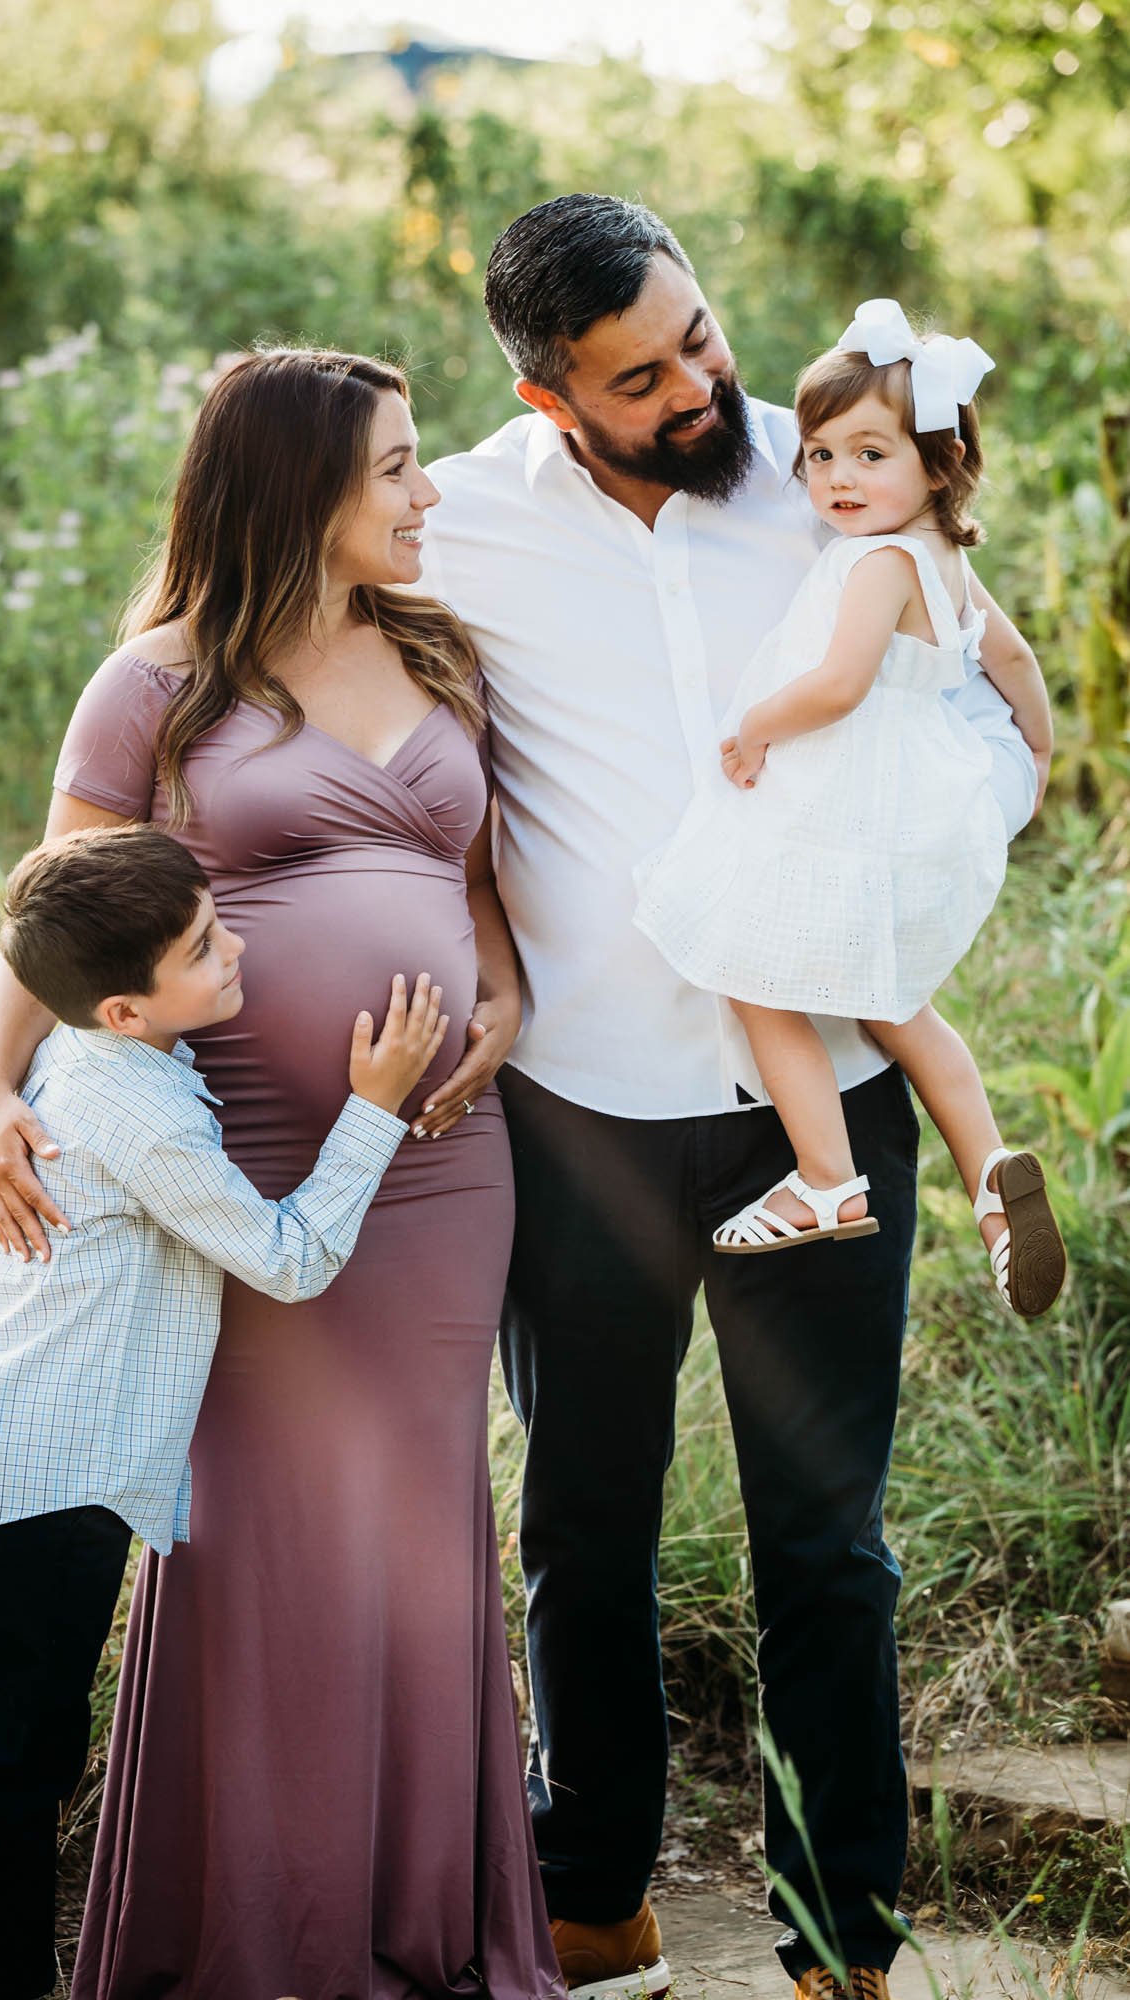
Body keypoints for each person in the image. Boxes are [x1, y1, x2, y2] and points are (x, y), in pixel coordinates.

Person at [417, 196, 1045, 2000]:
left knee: (826, 1543)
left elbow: (1002, 699)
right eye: (645, 374)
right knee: (583, 1526)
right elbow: (383, 742)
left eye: (700, 335)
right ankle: (592, 1894)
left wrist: (939, 834)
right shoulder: (459, 523)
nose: (704, 384)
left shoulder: (835, 464)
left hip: (822, 1090)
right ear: (551, 398)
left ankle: (840, 1934)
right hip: (585, 1111)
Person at [0, 350, 563, 2000]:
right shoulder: (154, 683)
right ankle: (256, 1928)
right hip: (248, 1163)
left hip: (441, 1167)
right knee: (256, 1525)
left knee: (422, 1516)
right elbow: (57, 913)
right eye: (393, 467)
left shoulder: (440, 652)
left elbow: (473, 878)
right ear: (298, 486)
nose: (424, 492)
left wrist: (500, 997)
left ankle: (421, 1920)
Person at [0, 822, 442, 2000]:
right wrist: (375, 1107)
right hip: (53, 1483)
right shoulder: (139, 1107)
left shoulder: (82, 1055)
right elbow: (287, 1260)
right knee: (15, 1768)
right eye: (202, 945)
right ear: (125, 1010)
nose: (233, 947)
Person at [632, 299, 1066, 1317]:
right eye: (820, 453)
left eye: (869, 454)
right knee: (893, 1005)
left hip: (844, 802)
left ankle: (824, 1176)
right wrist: (1036, 747)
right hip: (918, 804)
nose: (835, 477)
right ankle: (990, 1171)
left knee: (746, 971)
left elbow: (837, 683)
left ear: (939, 459)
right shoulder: (943, 557)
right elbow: (1009, 659)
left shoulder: (874, 562)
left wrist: (754, 728)